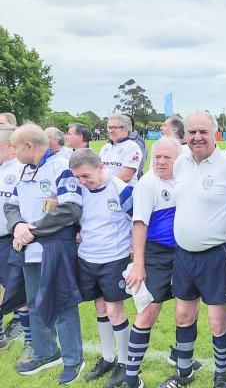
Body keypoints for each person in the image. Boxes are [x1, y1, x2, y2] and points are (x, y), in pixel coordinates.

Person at [160, 112, 226, 388]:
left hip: (217, 254)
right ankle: (183, 375)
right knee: (183, 315)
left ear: (215, 134)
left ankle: (221, 377)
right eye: (192, 132)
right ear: (185, 135)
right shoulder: (180, 163)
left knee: (217, 320)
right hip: (183, 254)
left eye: (203, 132)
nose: (197, 137)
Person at [5, 124, 84, 384]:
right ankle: (46, 352)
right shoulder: (23, 171)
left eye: (16, 146)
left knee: (62, 304)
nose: (13, 150)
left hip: (54, 247)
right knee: (35, 301)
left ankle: (74, 360)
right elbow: (11, 205)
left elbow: (70, 209)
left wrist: (32, 231)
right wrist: (18, 226)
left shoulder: (62, 167)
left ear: (29, 146)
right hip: (28, 247)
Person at [122, 137, 201, 388]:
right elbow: (139, 225)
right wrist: (138, 264)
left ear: (179, 158)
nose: (161, 161)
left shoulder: (187, 179)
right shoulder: (147, 184)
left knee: (186, 311)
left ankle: (183, 370)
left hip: (186, 251)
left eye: (167, 157)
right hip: (156, 255)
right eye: (157, 157)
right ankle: (131, 378)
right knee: (147, 311)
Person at [69, 149, 133, 388]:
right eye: (78, 177)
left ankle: (125, 364)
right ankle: (108, 357)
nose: (82, 181)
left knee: (115, 310)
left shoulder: (121, 189)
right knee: (100, 308)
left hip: (113, 259)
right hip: (87, 259)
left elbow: (137, 222)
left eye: (86, 175)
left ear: (100, 167)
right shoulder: (79, 191)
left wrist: (135, 256)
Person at [0, 124, 32, 363]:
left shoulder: (21, 170)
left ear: (9, 147)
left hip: (11, 240)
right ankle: (1, 335)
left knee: (18, 293)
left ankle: (30, 342)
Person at [99, 114, 143, 186]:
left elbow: (126, 176)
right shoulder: (105, 148)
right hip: (106, 191)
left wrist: (102, 182)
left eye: (114, 128)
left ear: (125, 129)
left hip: (123, 194)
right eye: (109, 127)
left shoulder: (132, 147)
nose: (110, 131)